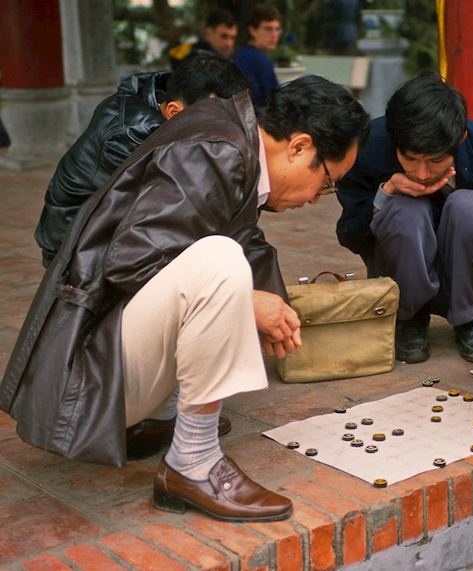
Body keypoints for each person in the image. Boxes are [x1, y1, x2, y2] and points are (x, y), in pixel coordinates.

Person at [0, 75, 371, 523]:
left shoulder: (231, 139)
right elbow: (131, 260)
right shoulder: (218, 150)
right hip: (88, 383)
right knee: (219, 260)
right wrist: (245, 302)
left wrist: (269, 302)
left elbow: (243, 237)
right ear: (298, 146)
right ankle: (192, 463)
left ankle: (161, 415)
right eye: (328, 183)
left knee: (229, 258)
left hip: (103, 359)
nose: (317, 199)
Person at [337, 74, 473, 364]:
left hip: (468, 272)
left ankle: (469, 318)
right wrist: (386, 193)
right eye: (411, 158)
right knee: (407, 209)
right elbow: (350, 234)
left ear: (461, 139)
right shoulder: (366, 148)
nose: (422, 173)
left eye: (435, 160)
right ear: (395, 142)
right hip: (399, 267)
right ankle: (409, 318)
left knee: (468, 205)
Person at [35, 55, 251, 269]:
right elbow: (177, 211)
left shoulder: (172, 106)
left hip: (117, 231)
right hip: (75, 246)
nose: (226, 133)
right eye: (215, 123)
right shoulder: (131, 136)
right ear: (173, 111)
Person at [232, 5, 282, 106]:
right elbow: (275, 103)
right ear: (252, 30)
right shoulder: (260, 59)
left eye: (277, 29)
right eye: (268, 29)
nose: (274, 35)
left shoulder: (239, 54)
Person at [169, 8, 238, 66]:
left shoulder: (233, 58)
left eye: (232, 38)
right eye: (224, 36)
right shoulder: (190, 53)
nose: (229, 43)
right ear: (208, 32)